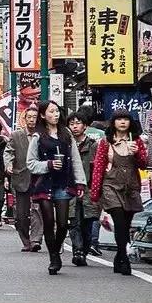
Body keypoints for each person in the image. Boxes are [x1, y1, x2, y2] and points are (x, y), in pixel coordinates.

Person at [26, 101, 87, 275]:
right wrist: (49, 164)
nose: (56, 114)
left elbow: (75, 159)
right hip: (44, 184)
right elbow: (30, 163)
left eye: (57, 111)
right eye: (51, 112)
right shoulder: (38, 136)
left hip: (64, 182)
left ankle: (56, 248)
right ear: (43, 115)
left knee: (62, 224)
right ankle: (54, 257)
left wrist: (80, 181)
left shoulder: (66, 134)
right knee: (48, 223)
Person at [89, 108, 149, 275]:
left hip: (130, 186)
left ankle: (119, 256)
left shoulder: (136, 141)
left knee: (126, 224)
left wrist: (137, 154)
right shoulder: (105, 142)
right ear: (113, 122)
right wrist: (95, 192)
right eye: (119, 119)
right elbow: (99, 167)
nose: (123, 122)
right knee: (119, 218)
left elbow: (144, 164)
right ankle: (124, 258)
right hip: (111, 186)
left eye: (126, 119)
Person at [4, 106, 44, 251]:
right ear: (25, 119)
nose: (32, 120)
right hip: (20, 178)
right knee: (21, 216)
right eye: (29, 117)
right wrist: (8, 164)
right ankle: (26, 241)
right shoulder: (16, 135)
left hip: (39, 179)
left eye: (35, 117)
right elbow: (8, 152)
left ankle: (35, 240)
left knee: (37, 211)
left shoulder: (43, 135)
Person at [68, 110, 100, 266]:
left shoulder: (94, 146)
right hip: (71, 188)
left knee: (87, 222)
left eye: (78, 123)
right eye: (72, 123)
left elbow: (97, 169)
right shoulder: (66, 145)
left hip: (88, 189)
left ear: (85, 126)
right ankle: (78, 250)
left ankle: (84, 249)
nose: (75, 127)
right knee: (74, 221)